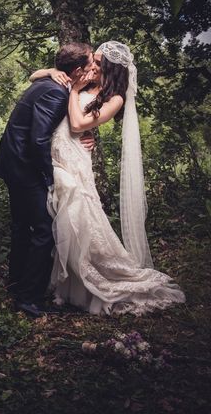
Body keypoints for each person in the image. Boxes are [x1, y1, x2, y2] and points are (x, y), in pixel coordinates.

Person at [30, 40, 185, 315]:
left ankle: (92, 278)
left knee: (77, 217)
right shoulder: (84, 83)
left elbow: (78, 124)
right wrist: (49, 71)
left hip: (75, 160)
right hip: (55, 154)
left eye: (98, 63)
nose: (92, 66)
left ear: (111, 70)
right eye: (92, 61)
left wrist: (75, 91)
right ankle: (60, 281)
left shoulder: (115, 98)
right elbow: (34, 77)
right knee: (58, 220)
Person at [0, 42, 95, 318]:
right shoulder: (55, 92)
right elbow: (38, 139)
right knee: (45, 229)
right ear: (77, 70)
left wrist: (86, 136)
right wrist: (50, 179)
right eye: (89, 65)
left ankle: (15, 285)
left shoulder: (51, 85)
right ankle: (28, 297)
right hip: (25, 168)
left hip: (12, 162)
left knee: (21, 226)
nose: (93, 70)